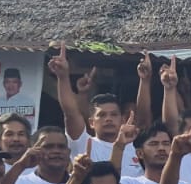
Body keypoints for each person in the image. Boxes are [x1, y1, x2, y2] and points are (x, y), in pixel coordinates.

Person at [50, 43, 140, 175]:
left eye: (113, 115)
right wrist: (63, 76)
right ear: (91, 122)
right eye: (102, 115)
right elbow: (71, 113)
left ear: (122, 120)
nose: (108, 119)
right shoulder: (84, 143)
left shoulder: (136, 148)